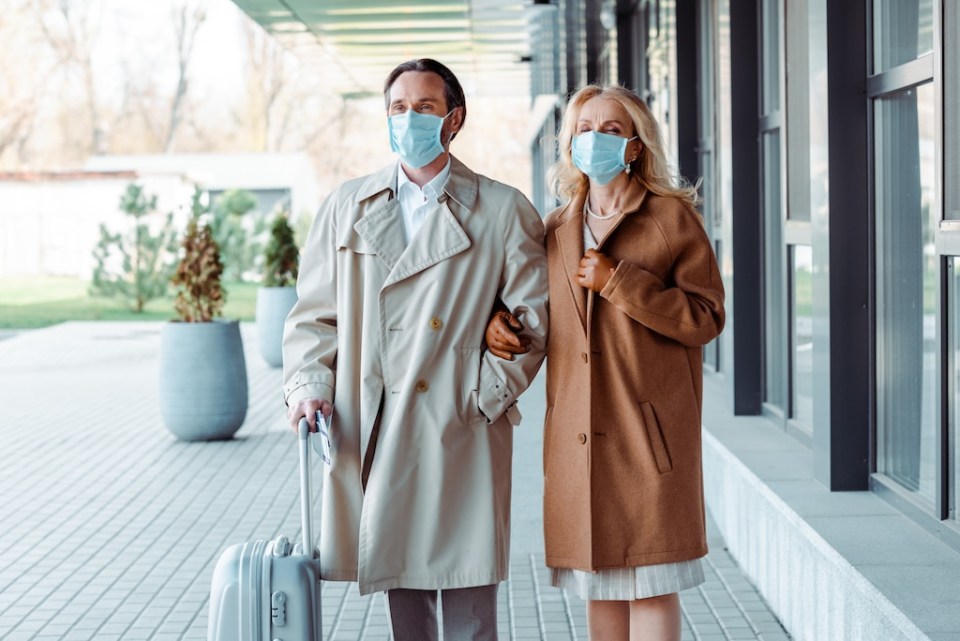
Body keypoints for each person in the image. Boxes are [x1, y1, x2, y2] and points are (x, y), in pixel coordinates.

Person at [282, 58, 549, 641]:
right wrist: (309, 389)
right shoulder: (346, 206)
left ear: (454, 119)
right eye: (398, 108)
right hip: (379, 423)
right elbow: (313, 316)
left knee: (469, 598)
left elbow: (533, 322)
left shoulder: (503, 210)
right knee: (404, 597)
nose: (409, 119)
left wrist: (482, 398)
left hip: (459, 425)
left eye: (424, 107)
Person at [486, 84, 725, 641]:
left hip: (649, 435)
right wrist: (498, 322)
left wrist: (620, 281)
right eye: (583, 129)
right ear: (569, 144)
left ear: (635, 146)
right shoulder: (555, 229)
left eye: (611, 129)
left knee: (651, 584)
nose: (594, 139)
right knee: (599, 586)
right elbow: (531, 308)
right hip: (579, 441)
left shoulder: (671, 219)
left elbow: (705, 318)